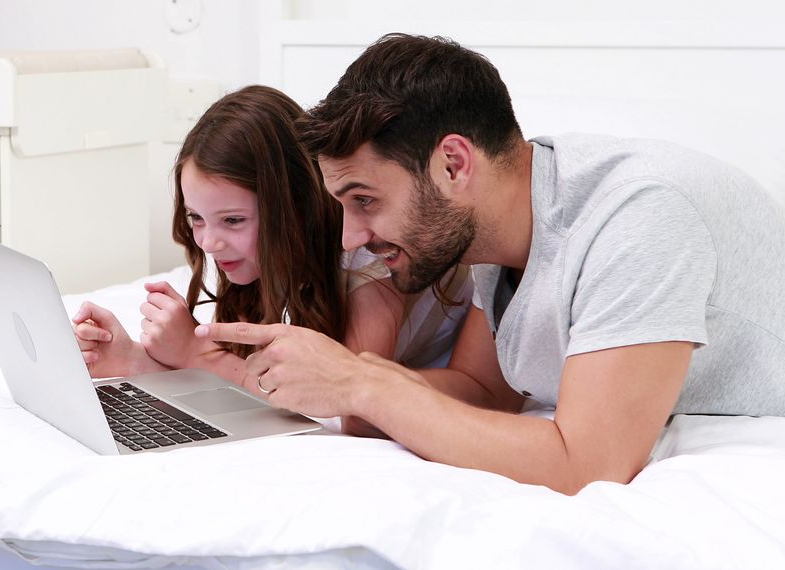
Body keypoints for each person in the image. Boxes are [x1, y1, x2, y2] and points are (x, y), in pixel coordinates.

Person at [195, 34, 785, 494]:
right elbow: (482, 391)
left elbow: (589, 465)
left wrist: (364, 382)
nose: (350, 237)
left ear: (453, 164)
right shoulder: (490, 231)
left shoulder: (639, 216)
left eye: (365, 200)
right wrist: (336, 386)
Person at [72, 85, 471, 433]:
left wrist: (195, 355)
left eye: (233, 220)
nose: (210, 242)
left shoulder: (371, 264)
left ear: (293, 210)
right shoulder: (258, 255)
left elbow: (343, 411)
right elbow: (251, 374)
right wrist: (138, 361)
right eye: (197, 217)